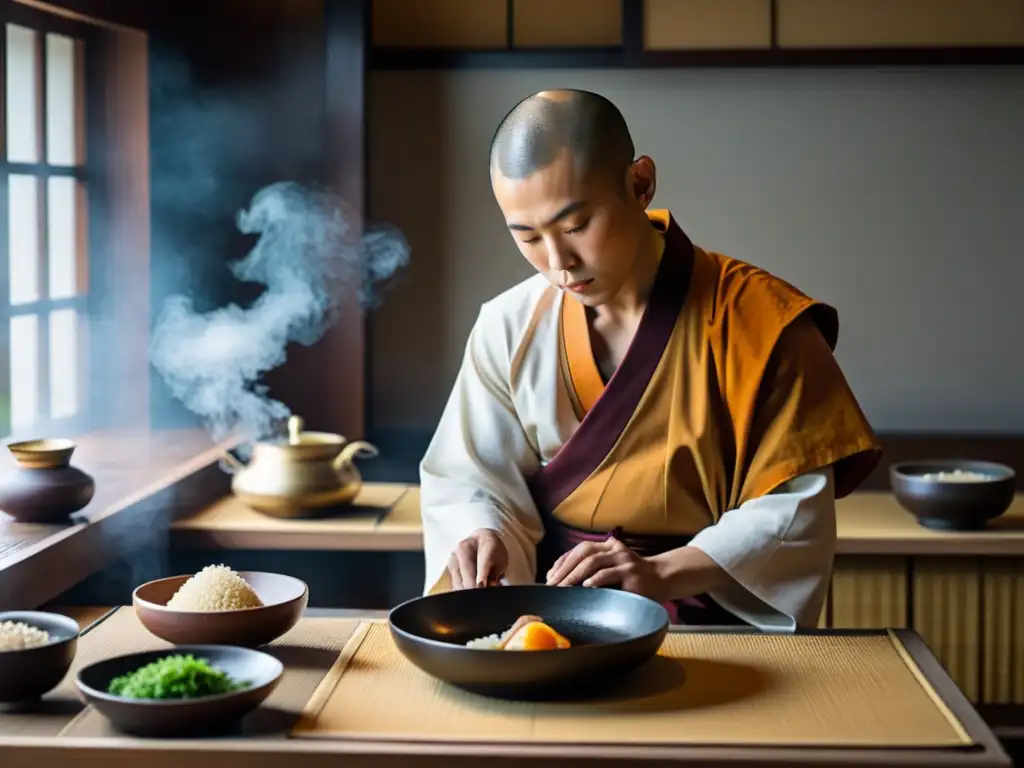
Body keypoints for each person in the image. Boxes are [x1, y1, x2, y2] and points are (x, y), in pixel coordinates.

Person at [418, 88, 882, 630]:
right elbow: (472, 477)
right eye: (528, 238)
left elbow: (793, 509)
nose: (558, 263)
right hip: (552, 616)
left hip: (714, 622)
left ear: (640, 184)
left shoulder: (763, 321)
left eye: (575, 227)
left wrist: (662, 572)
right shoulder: (507, 326)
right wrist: (485, 532)